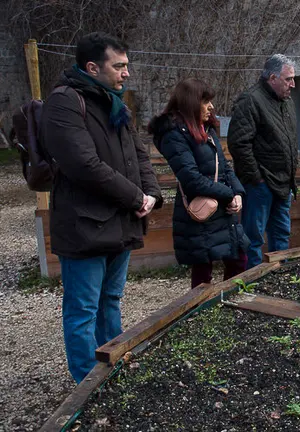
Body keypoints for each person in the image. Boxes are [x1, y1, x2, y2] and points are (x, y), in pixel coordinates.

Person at [40, 32, 162, 383]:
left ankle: (113, 364)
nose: (127, 73)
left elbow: (138, 153)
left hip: (118, 224)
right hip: (84, 226)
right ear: (92, 67)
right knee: (82, 310)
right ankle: (86, 382)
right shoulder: (64, 102)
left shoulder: (114, 102)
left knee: (110, 300)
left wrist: (151, 192)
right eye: (119, 66)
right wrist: (135, 197)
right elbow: (84, 165)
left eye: (127, 66)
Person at [148, 79, 249, 288]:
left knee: (239, 259)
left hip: (222, 210)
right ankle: (201, 312)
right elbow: (191, 179)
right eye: (205, 101)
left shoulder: (207, 130)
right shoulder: (173, 135)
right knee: (203, 272)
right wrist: (228, 194)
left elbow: (225, 167)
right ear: (190, 103)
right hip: (202, 214)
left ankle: (229, 304)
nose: (211, 106)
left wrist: (237, 192)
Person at [228, 54, 298, 268]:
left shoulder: (286, 103)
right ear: (273, 78)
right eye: (288, 79)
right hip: (261, 184)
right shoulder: (250, 100)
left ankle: (280, 276)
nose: (293, 85)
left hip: (284, 183)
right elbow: (239, 143)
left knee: (281, 235)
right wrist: (256, 178)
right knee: (254, 237)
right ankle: (255, 281)